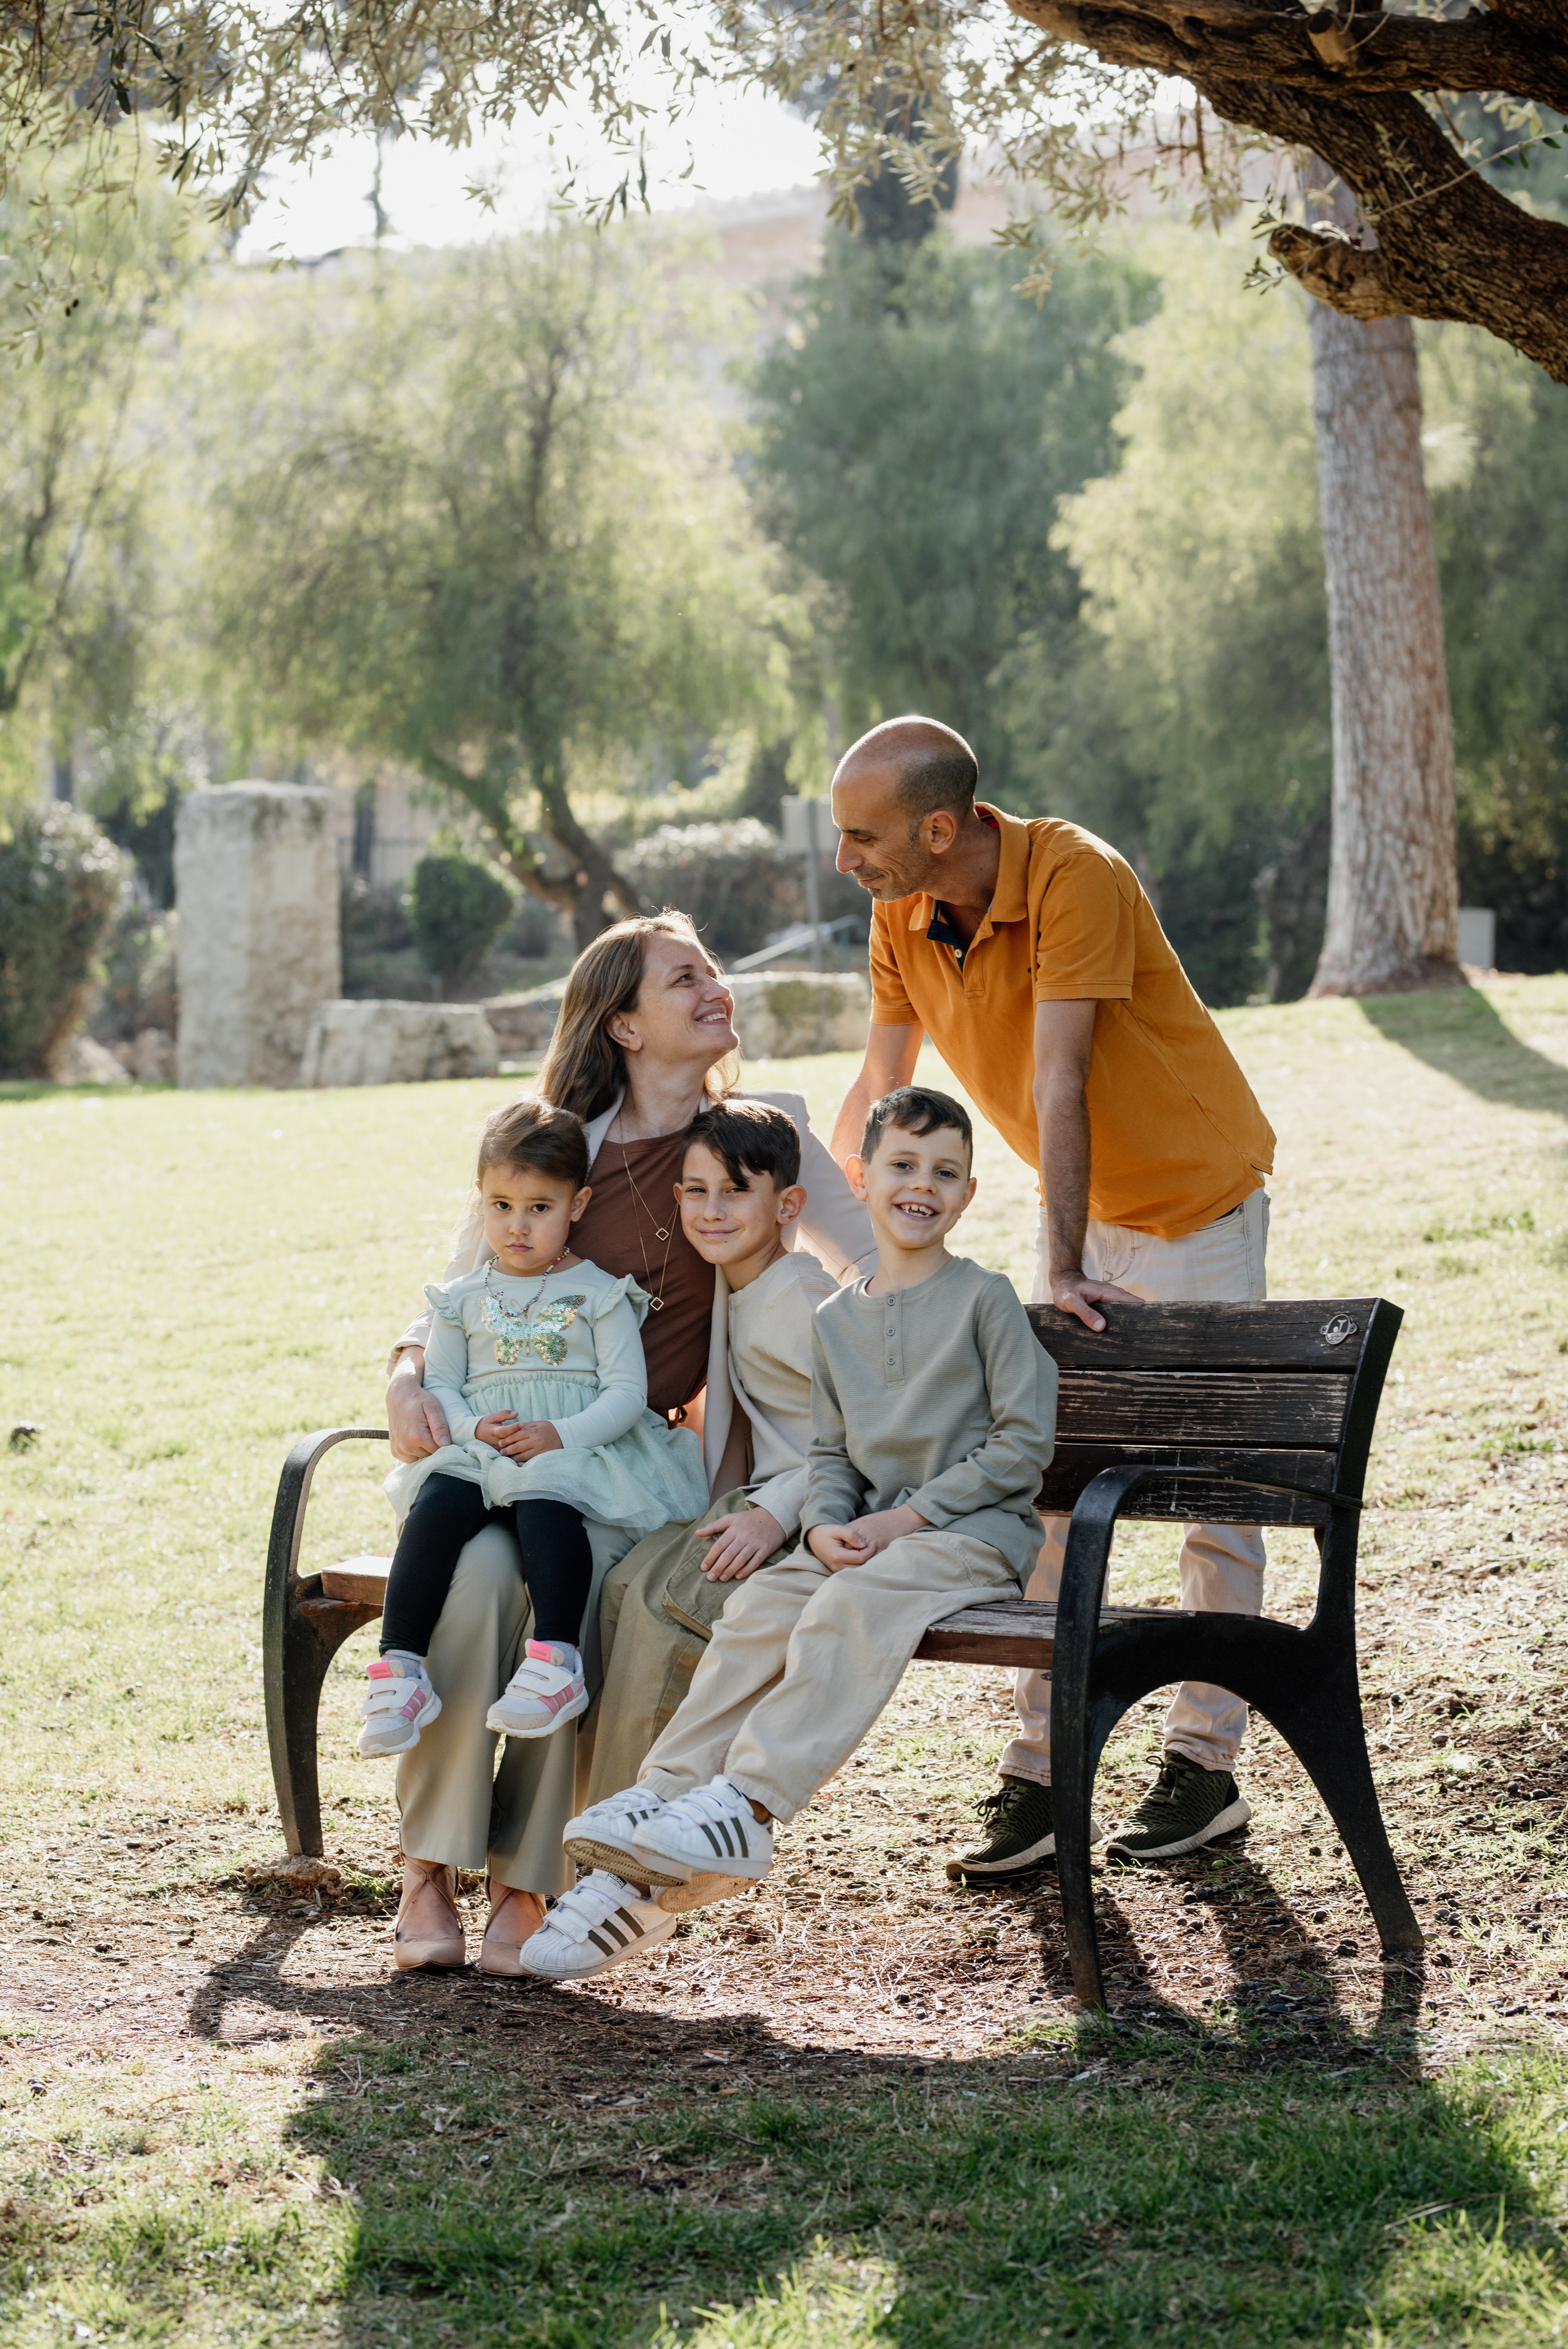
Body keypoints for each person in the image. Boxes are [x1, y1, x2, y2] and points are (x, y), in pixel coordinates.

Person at [382, 912, 873, 1978]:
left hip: (630, 1466)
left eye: (712, 971)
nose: (714, 987)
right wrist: (407, 1373)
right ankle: (427, 1864)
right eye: (683, 978)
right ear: (627, 1026)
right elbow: (459, 1286)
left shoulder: (763, 1130)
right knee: (475, 1585)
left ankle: (526, 1876)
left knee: (578, 1599)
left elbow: (873, 1268)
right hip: (503, 1446)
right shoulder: (561, 1142)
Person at [828, 717, 1278, 1875]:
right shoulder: (901, 910)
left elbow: (1059, 1075)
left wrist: (1065, 1265)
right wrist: (828, 1232)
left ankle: (1204, 1766)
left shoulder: (1076, 874)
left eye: (863, 836)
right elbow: (882, 1084)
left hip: (1192, 1203)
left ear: (940, 828)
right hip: (1076, 1208)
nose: (845, 858)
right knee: (1048, 1491)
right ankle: (1040, 1772)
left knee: (1211, 1495)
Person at [519, 1085, 1057, 1982]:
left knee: (854, 1601)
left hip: (968, 1534)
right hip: (867, 1534)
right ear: (862, 1177)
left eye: (944, 1172)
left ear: (967, 1193)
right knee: (763, 1604)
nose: (921, 1185)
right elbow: (830, 1450)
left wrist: (900, 1517)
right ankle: (660, 1796)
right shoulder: (839, 1317)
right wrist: (829, 1519)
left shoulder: (983, 1299)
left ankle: (748, 1797)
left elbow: (1022, 1444)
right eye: (903, 1164)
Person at [361, 1098, 706, 1760]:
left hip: (568, 1443)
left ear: (578, 1205)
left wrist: (561, 1435)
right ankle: (399, 1666)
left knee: (547, 1501)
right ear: (481, 1199)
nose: (517, 1226)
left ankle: (555, 1660)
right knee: (438, 1504)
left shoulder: (600, 1294)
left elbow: (626, 1393)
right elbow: (443, 1382)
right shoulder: (461, 1299)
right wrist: (470, 1427)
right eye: (501, 1205)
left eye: (539, 1207)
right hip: (482, 1446)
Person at [576, 1099, 839, 1816]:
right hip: (760, 1502)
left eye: (735, 1190)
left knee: (674, 1611)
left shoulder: (802, 1298)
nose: (712, 1210)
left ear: (788, 1205)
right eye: (696, 1190)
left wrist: (773, 1512)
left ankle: (640, 1830)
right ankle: (592, 1818)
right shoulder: (739, 1283)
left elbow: (875, 1438)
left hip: (821, 1514)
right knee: (625, 1586)